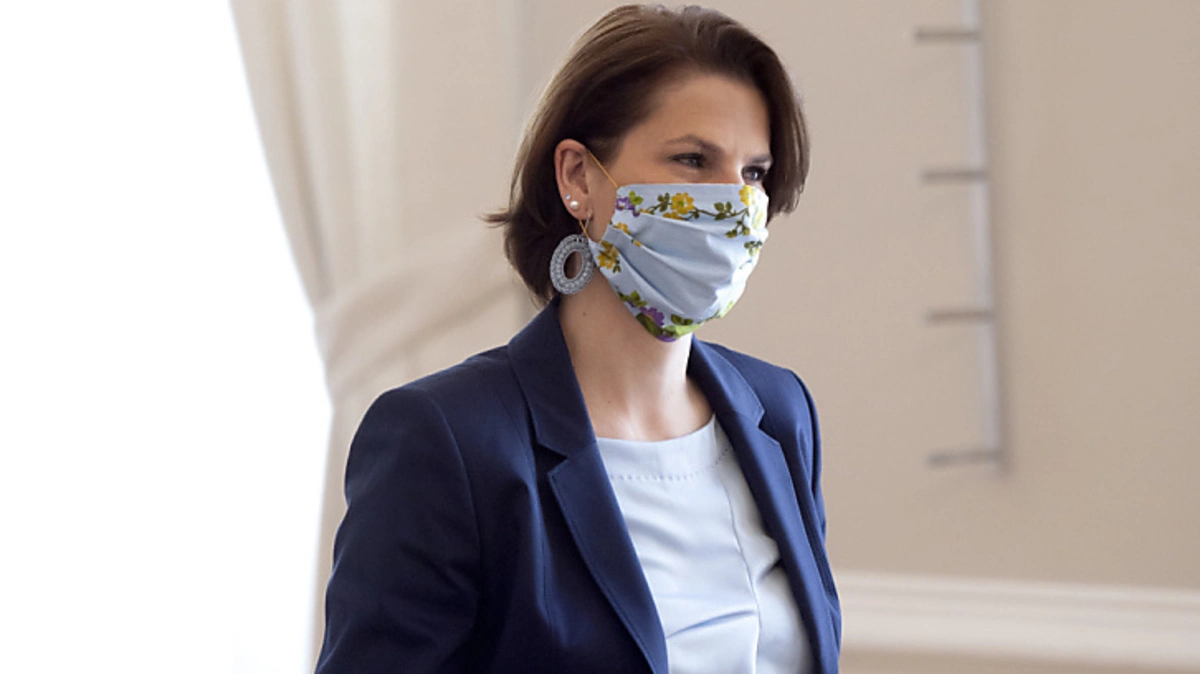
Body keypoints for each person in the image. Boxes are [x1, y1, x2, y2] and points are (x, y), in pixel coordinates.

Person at [315, 5, 840, 673]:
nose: (732, 204)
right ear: (577, 178)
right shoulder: (445, 441)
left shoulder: (779, 411)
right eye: (692, 159)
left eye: (754, 174)